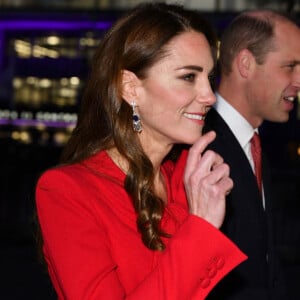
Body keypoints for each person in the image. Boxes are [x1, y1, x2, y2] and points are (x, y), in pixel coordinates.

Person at [35, 3, 247, 300]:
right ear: (130, 88)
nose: (209, 96)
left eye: (209, 79)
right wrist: (200, 228)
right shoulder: (68, 192)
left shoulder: (192, 180)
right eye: (189, 77)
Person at [203, 9, 300, 300]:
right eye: (290, 66)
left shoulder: (255, 146)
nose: (299, 80)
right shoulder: (200, 148)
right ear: (246, 64)